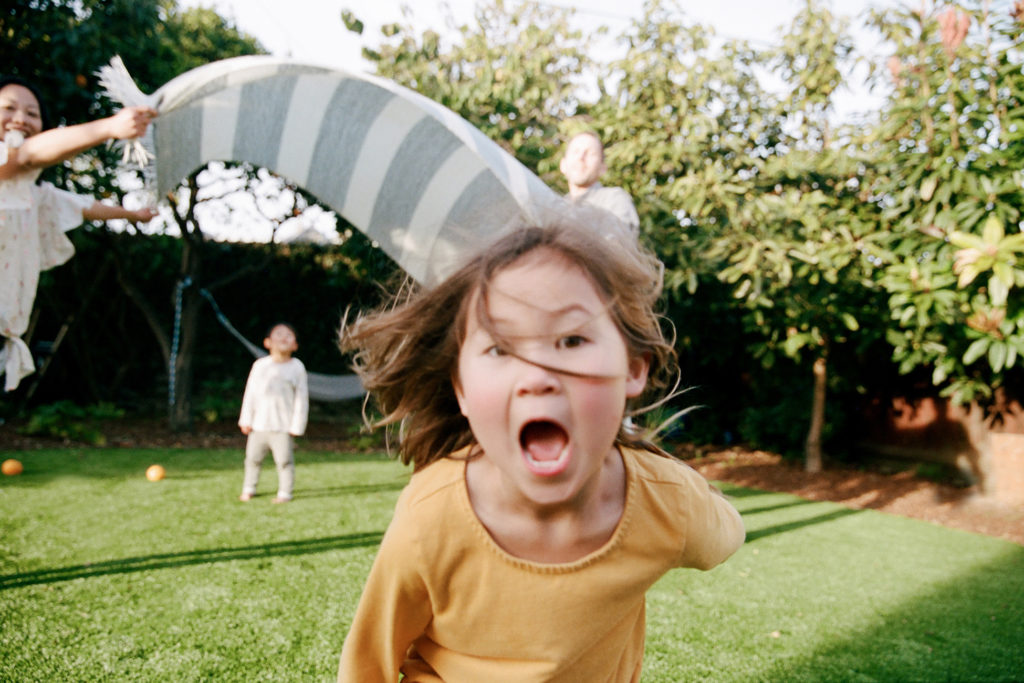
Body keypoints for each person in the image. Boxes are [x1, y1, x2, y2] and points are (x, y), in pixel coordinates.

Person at [336, 220, 744, 681]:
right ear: (461, 389)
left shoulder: (668, 502)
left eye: (571, 340)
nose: (538, 376)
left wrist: (673, 495)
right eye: (501, 349)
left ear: (632, 369)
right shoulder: (431, 516)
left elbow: (726, 535)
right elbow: (368, 662)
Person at [1, 76, 158, 392]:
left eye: (32, 113)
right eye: (8, 108)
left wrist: (132, 214)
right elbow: (26, 156)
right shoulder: (15, 163)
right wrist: (109, 128)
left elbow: (84, 206)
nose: (20, 118)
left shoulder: (35, 196)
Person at [238, 322, 309, 503]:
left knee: (284, 461)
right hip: (258, 425)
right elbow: (250, 393)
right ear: (267, 342)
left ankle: (285, 492)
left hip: (282, 427)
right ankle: (249, 488)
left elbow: (301, 398)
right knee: (252, 459)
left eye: (288, 335)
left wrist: (297, 426)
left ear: (295, 345)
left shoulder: (297, 367)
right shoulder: (260, 366)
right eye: (278, 334)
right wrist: (246, 419)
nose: (284, 337)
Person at [559, 130, 640, 234]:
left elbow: (616, 244)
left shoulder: (614, 199)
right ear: (563, 164)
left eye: (591, 154)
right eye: (575, 152)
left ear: (602, 168)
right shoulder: (554, 208)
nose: (581, 158)